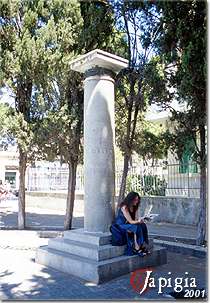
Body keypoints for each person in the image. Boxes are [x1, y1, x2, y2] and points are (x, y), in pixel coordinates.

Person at [112, 191, 150, 256]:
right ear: (130, 199)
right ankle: (137, 247)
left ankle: (142, 244)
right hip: (121, 225)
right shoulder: (124, 207)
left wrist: (141, 220)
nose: (136, 201)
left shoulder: (134, 207)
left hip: (129, 224)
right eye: (135, 200)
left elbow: (135, 219)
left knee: (142, 225)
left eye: (138, 200)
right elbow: (130, 221)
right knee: (136, 227)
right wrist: (138, 221)